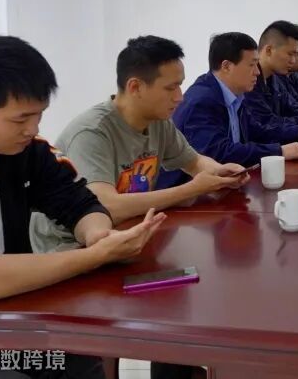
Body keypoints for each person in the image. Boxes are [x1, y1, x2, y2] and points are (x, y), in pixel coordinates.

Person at [0, 36, 164, 377]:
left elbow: (79, 201)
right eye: (20, 119)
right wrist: (93, 256)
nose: (33, 129)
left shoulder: (24, 150)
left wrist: (98, 235)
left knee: (79, 360)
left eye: (39, 116)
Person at [29, 36, 248, 254]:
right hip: (70, 246)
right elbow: (107, 206)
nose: (179, 97)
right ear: (135, 87)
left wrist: (220, 173)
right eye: (171, 88)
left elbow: (194, 161)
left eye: (180, 86)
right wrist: (190, 190)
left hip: (129, 231)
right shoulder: (92, 133)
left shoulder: (158, 121)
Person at [172, 32, 298, 166]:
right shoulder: (201, 101)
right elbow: (218, 153)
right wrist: (279, 151)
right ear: (226, 66)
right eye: (251, 65)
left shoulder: (235, 94)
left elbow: (258, 132)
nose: (257, 72)